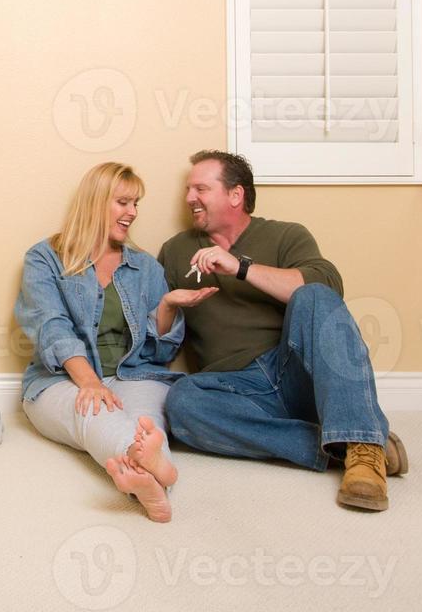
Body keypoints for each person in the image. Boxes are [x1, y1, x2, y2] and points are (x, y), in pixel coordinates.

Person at [158, 150, 408, 512]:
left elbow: (327, 287)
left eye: (200, 188)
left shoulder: (285, 235)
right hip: (236, 388)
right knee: (181, 404)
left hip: (294, 372)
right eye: (187, 189)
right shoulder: (176, 251)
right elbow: (157, 340)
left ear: (235, 195)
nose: (189, 198)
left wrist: (240, 268)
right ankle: (350, 444)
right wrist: (168, 302)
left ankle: (364, 455)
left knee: (314, 295)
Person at [15, 162, 186, 522]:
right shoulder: (45, 258)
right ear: (96, 201)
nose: (133, 213)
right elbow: (51, 326)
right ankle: (163, 475)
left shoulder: (146, 268)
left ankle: (152, 488)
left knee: (146, 424)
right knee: (95, 413)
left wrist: (168, 307)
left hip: (134, 376)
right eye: (123, 202)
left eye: (136, 203)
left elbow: (161, 352)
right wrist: (90, 382)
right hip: (61, 380)